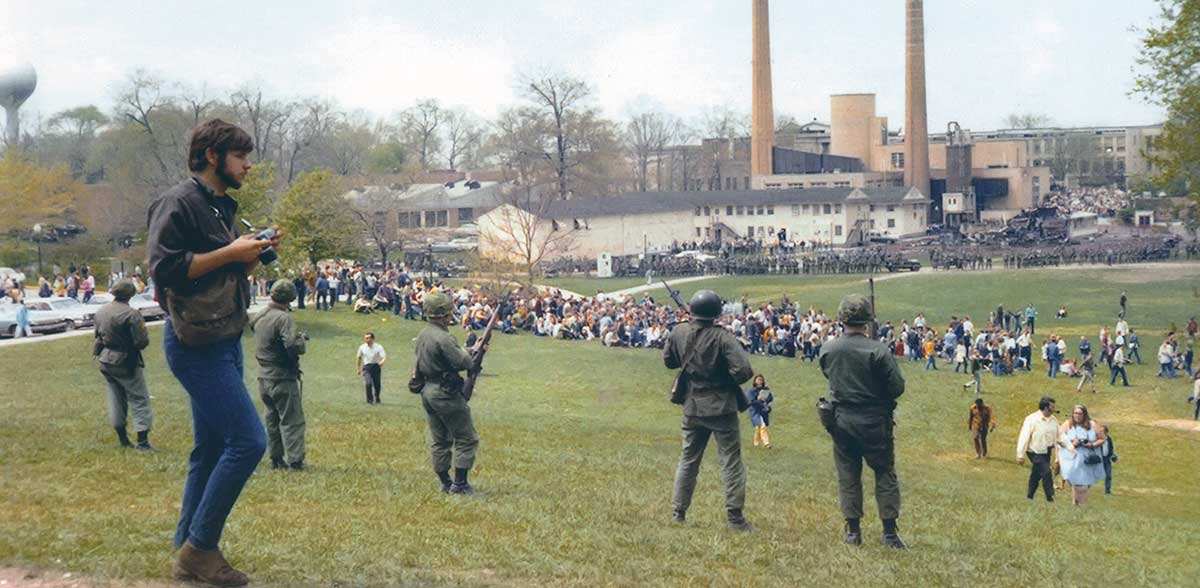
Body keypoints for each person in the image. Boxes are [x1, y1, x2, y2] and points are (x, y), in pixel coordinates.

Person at [148, 119, 279, 587]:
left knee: (211, 447)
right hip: (194, 345)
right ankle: (201, 550)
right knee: (249, 441)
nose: (249, 164)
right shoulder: (178, 202)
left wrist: (249, 251)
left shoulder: (220, 206)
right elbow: (165, 270)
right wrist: (231, 253)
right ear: (212, 156)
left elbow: (209, 269)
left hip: (223, 336)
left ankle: (187, 546)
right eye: (241, 156)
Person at [818, 294, 906, 548]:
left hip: (842, 420)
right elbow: (897, 388)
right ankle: (889, 533)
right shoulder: (878, 350)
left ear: (841, 319)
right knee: (885, 473)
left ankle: (853, 531)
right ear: (867, 320)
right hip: (874, 421)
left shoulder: (829, 348)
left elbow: (828, 373)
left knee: (848, 475)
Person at [663, 289, 754, 531]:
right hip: (722, 407)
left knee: (688, 460)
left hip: (692, 406)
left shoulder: (679, 332)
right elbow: (744, 371)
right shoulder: (722, 338)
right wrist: (722, 374)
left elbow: (669, 361)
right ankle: (735, 518)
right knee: (731, 461)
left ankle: (678, 512)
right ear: (716, 313)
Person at [413, 292, 480, 494]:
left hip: (428, 391)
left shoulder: (424, 334)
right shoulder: (444, 337)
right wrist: (472, 351)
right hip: (445, 393)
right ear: (443, 313)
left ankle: (445, 482)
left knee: (440, 440)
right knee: (465, 437)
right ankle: (460, 485)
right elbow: (464, 362)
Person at [249, 280, 308, 470]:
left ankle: (276, 458)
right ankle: (295, 461)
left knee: (271, 419)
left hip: (263, 376)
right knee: (292, 420)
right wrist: (300, 341)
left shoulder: (260, 315)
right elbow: (291, 345)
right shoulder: (284, 318)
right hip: (282, 376)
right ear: (289, 298)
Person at [92, 279, 154, 450]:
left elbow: (97, 336)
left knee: (116, 399)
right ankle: (143, 442)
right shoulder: (131, 314)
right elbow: (141, 341)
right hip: (126, 361)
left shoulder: (101, 311)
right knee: (139, 399)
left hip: (105, 360)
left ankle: (123, 440)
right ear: (130, 294)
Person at [1058, 405, 1106, 506]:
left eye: (1080, 413)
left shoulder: (1092, 424)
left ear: (1084, 414)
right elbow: (1058, 439)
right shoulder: (1067, 424)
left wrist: (1091, 444)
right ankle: (1080, 505)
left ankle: (1077, 504)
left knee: (1084, 484)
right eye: (1075, 413)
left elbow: (1102, 438)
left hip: (1088, 459)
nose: (1077, 416)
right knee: (1078, 483)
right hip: (1071, 458)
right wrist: (1072, 443)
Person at [1017, 396, 1059, 502]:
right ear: (1045, 408)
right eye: (1052, 407)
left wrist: (1068, 450)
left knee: (1036, 474)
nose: (1054, 409)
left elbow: (1059, 436)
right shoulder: (1031, 419)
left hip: (1047, 451)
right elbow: (1024, 436)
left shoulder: (1054, 420)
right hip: (1034, 451)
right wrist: (1020, 455)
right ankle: (1050, 497)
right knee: (1046, 471)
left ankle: (1030, 496)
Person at [356, 332, 386, 404]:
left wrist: (382, 362)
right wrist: (358, 368)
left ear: (372, 339)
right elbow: (359, 358)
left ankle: (377, 397)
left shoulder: (378, 347)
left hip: (376, 366)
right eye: (366, 338)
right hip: (367, 368)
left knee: (377, 384)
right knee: (368, 383)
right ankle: (369, 400)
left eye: (368, 338)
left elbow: (384, 357)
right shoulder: (362, 347)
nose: (367, 340)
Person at [745, 374, 774, 448]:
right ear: (755, 381)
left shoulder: (765, 390)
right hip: (755, 412)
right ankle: (766, 443)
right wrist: (758, 399)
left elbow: (770, 398)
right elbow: (751, 402)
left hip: (763, 411)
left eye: (761, 380)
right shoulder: (751, 391)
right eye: (758, 379)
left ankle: (756, 443)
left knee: (759, 427)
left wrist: (766, 399)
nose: (760, 381)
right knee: (762, 425)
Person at [1100, 425, 1117, 495]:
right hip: (1099, 459)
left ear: (1106, 433)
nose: (1101, 433)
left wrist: (1112, 455)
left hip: (1106, 459)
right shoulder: (1098, 439)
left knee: (1108, 475)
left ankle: (1107, 491)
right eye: (1100, 432)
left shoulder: (1109, 439)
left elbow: (1111, 448)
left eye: (1102, 432)